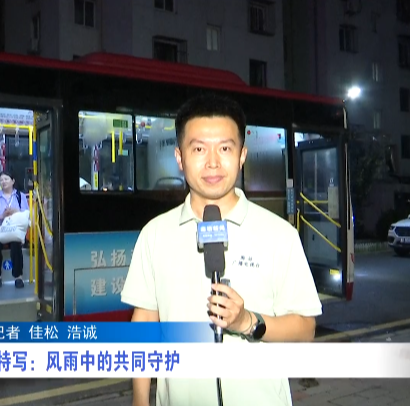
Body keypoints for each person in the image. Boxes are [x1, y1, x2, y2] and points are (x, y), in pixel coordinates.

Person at [121, 94, 322, 406]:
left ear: (242, 155)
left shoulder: (279, 234)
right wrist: (139, 399)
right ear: (180, 157)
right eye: (199, 149)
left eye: (225, 148)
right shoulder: (155, 234)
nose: (213, 162)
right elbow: (145, 320)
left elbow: (305, 329)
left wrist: (248, 322)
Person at [0, 171, 29, 288]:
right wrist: (2, 216)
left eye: (6, 179)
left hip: (14, 228)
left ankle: (18, 277)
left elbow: (26, 214)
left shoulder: (20, 196)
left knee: (16, 244)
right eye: (1, 180)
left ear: (13, 181)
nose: (3, 182)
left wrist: (15, 211)